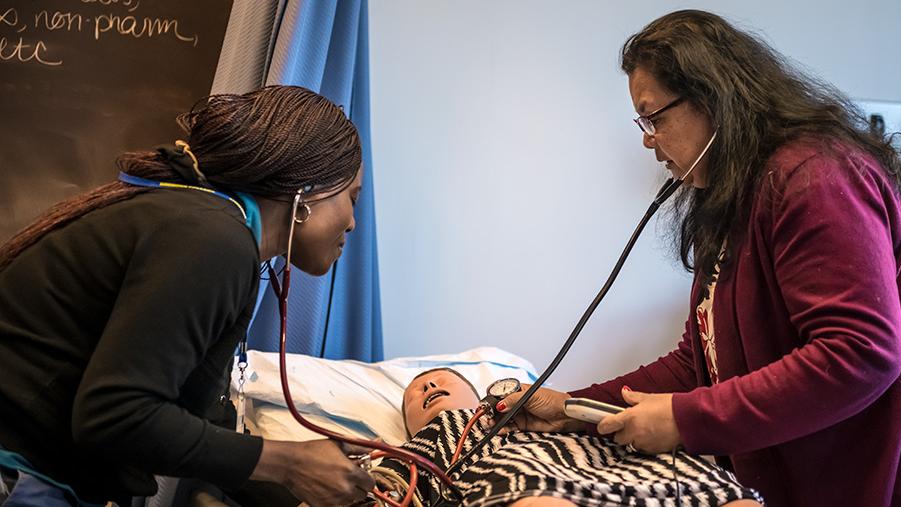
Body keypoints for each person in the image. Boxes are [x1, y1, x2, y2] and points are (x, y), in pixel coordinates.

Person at [498, 10, 901, 506]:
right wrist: (575, 408)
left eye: (655, 118)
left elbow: (861, 352)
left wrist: (685, 419)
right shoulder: (739, 196)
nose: (648, 139)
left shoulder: (817, 179)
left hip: (895, 480)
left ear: (713, 97)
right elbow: (701, 364)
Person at [0, 85, 375, 506]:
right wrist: (289, 463)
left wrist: (317, 481)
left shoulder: (203, 224)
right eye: (352, 199)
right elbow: (114, 415)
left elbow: (189, 415)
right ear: (306, 191)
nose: (352, 224)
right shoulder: (213, 241)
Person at [384, 368, 763, 506]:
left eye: (441, 378)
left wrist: (571, 410)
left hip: (614, 466)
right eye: (416, 394)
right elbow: (386, 489)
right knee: (520, 473)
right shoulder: (426, 443)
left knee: (691, 473)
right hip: (533, 479)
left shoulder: (548, 415)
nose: (430, 384)